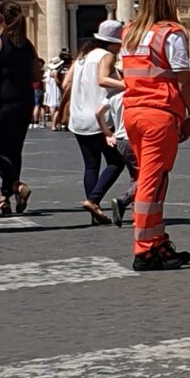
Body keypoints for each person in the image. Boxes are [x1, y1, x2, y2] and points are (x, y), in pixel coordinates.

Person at [121, 0, 190, 271]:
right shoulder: (171, 33)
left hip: (133, 112)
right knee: (152, 182)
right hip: (158, 113)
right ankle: (144, 248)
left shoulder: (130, 33)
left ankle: (156, 241)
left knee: (152, 179)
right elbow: (182, 77)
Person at [62, 20, 126, 224]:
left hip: (79, 117)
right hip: (98, 118)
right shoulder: (106, 56)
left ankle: (95, 214)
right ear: (113, 43)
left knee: (91, 166)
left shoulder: (83, 57)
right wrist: (129, 84)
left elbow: (66, 83)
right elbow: (102, 80)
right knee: (116, 162)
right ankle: (93, 199)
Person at [0, 0, 41, 216]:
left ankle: (16, 186)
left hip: (1, 103)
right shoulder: (27, 45)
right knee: (14, 151)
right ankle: (5, 198)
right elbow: (37, 75)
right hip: (23, 103)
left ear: (0, 18)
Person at [95, 90, 138, 228]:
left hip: (119, 140)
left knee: (135, 176)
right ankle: (123, 201)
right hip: (134, 138)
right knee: (148, 176)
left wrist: (107, 132)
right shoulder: (136, 91)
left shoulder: (113, 94)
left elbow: (98, 112)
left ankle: (136, 215)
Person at [45, 57, 63, 130]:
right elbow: (57, 82)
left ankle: (55, 123)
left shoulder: (48, 71)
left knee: (52, 107)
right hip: (55, 89)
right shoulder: (55, 71)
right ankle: (55, 124)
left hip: (50, 90)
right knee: (58, 107)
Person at [31, 58, 47, 129]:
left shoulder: (31, 70)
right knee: (38, 105)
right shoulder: (40, 71)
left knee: (36, 105)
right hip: (38, 88)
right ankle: (36, 121)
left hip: (32, 88)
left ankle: (34, 121)